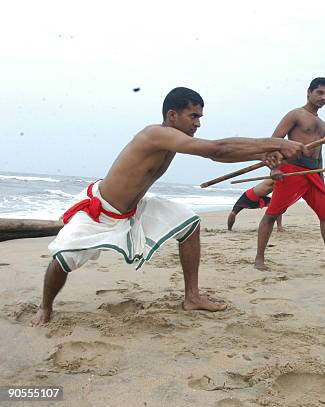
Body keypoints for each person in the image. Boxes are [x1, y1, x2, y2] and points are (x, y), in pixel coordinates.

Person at [31, 87, 306, 326]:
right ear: (172, 115)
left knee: (190, 224)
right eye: (193, 116)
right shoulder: (156, 134)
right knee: (64, 258)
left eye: (200, 117)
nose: (198, 123)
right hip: (101, 210)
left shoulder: (175, 140)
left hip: (135, 208)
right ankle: (45, 306)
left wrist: (265, 152)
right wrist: (277, 143)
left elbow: (219, 151)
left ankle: (192, 297)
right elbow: (217, 150)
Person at [254, 77, 325, 270]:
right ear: (309, 92)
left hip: (313, 172)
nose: (323, 98)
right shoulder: (296, 114)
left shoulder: (322, 124)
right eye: (320, 93)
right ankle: (259, 259)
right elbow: (273, 142)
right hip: (291, 171)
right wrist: (274, 169)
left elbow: (319, 153)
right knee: (272, 214)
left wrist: (321, 180)